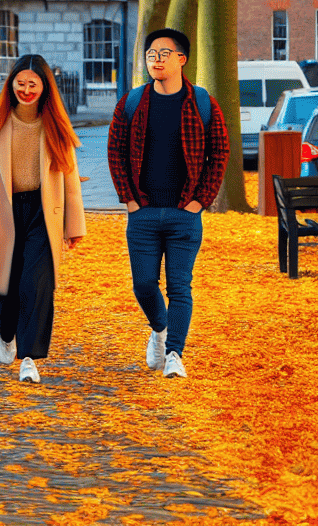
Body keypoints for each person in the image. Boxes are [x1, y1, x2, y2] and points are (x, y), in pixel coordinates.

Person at [105, 27, 229, 379]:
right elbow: (115, 150)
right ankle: (159, 330)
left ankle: (174, 353)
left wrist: (200, 200)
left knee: (179, 286)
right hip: (142, 212)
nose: (155, 61)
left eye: (163, 54)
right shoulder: (132, 102)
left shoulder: (203, 103)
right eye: (150, 55)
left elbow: (220, 151)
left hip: (183, 214)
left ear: (181, 59)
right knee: (143, 284)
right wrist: (128, 199)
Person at [0, 54, 86, 383]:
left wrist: (74, 224)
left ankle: (29, 358)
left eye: (33, 85)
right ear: (11, 84)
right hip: (1, 208)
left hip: (43, 212)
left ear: (45, 88)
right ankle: (5, 330)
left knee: (36, 284)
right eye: (20, 84)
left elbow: (70, 177)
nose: (26, 90)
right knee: (2, 285)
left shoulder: (55, 121)